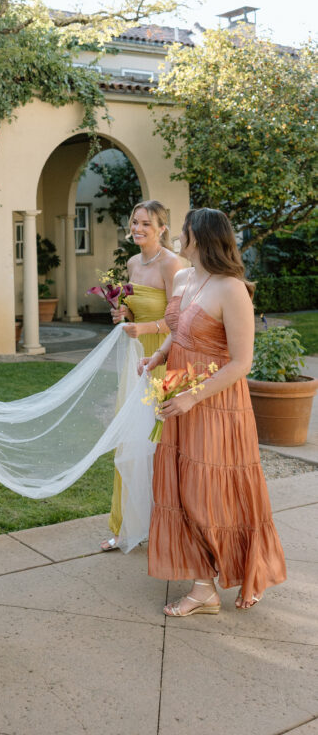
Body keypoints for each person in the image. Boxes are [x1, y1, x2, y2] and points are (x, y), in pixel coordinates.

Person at [141, 207, 286, 615]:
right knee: (182, 490)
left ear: (198, 238)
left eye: (183, 232)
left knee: (207, 495)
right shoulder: (186, 277)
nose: (178, 240)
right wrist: (160, 357)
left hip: (216, 404)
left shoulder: (231, 288)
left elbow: (242, 363)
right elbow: (179, 329)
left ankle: (235, 570)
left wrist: (193, 395)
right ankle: (203, 584)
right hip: (180, 396)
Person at [100, 200, 182, 551]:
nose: (138, 228)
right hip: (136, 359)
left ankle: (168, 526)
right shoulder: (133, 262)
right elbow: (134, 309)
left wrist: (146, 325)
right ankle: (126, 527)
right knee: (131, 440)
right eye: (135, 222)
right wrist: (122, 311)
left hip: (163, 356)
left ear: (162, 227)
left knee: (160, 443)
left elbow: (183, 317)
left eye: (146, 223)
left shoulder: (172, 264)